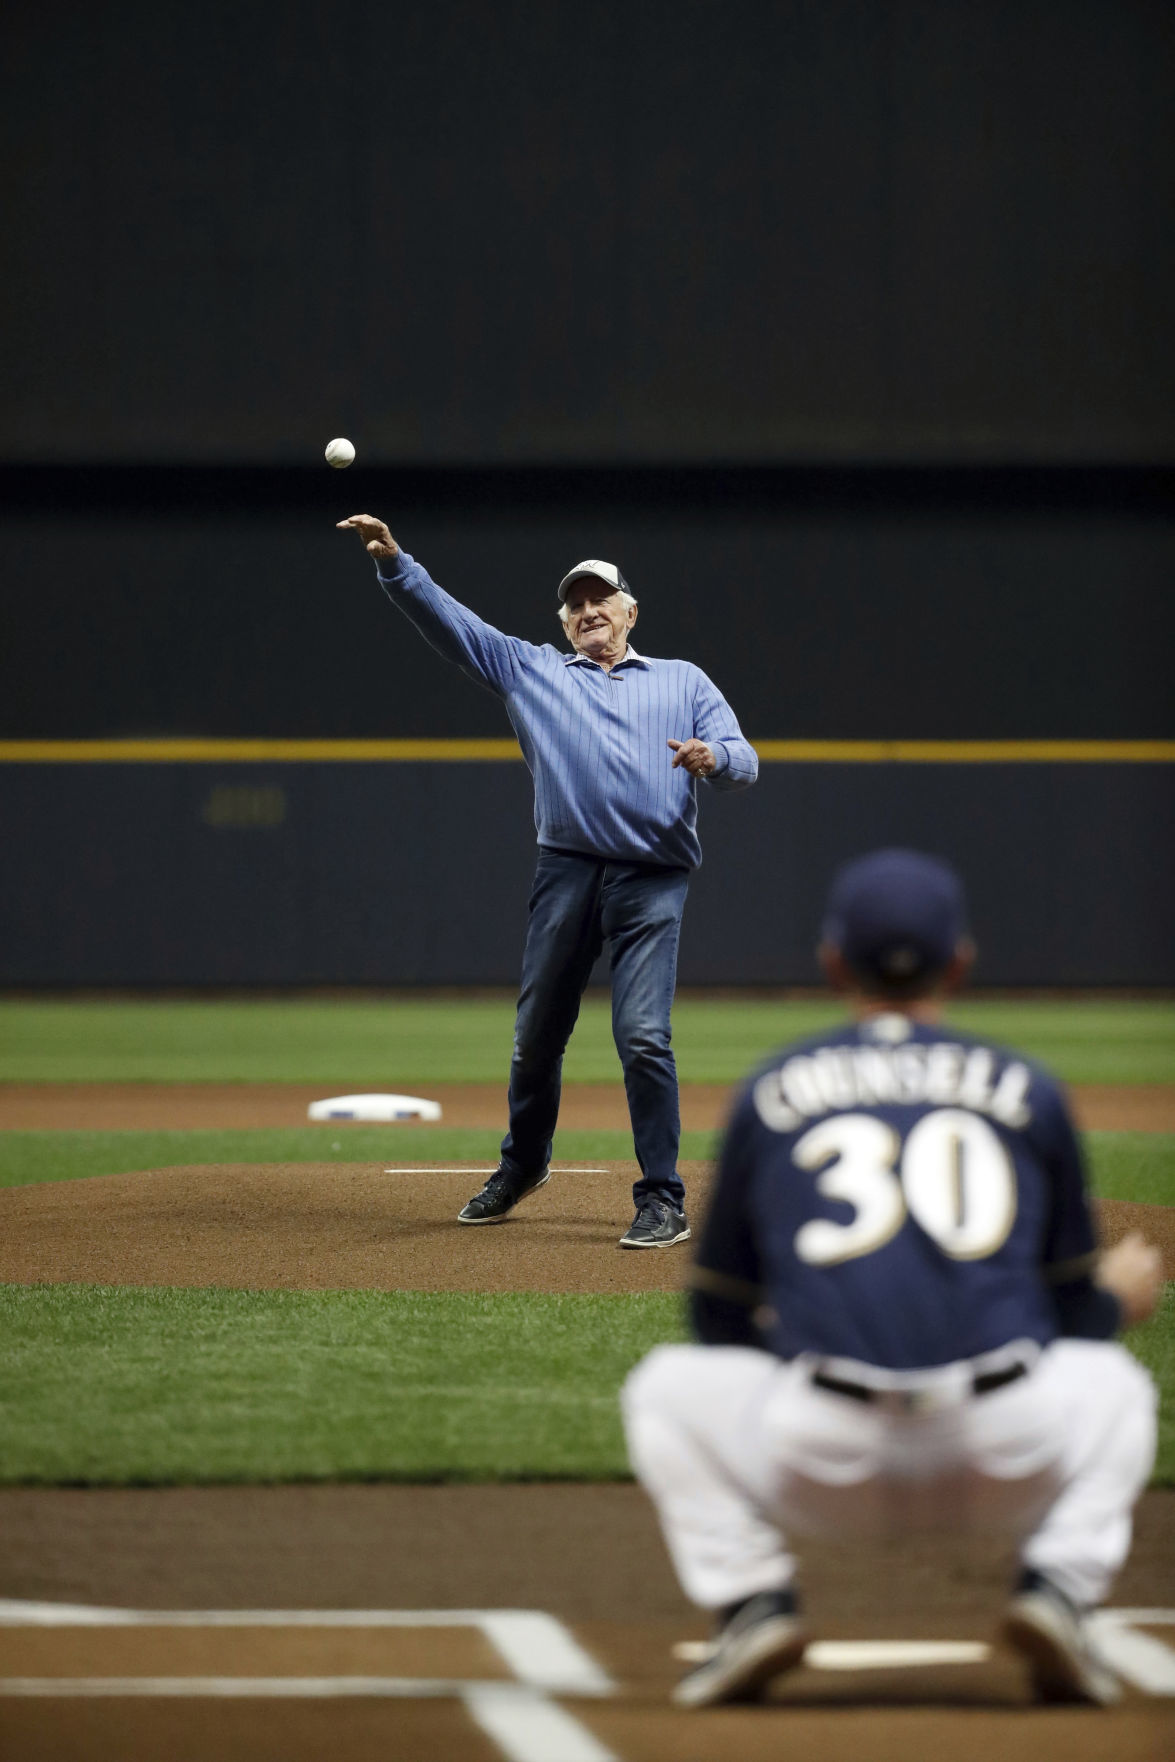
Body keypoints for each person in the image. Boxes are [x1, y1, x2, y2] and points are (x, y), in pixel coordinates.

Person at [622, 848, 1162, 1706]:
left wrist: (806, 1332)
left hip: (821, 1460)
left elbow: (714, 1316)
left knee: (664, 1389)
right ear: (962, 961)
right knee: (1117, 1387)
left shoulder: (770, 1091)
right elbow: (1071, 1314)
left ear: (831, 961)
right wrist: (1115, 1301)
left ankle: (752, 1600)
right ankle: (1058, 1589)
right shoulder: (1030, 1089)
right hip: (1003, 1451)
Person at [337, 514, 758, 1247]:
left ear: (630, 610)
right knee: (535, 1038)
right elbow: (454, 627)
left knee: (643, 1037)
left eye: (602, 598)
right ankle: (524, 1163)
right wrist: (397, 565)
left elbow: (744, 758)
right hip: (565, 871)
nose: (588, 610)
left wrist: (712, 759)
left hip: (651, 880)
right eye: (575, 603)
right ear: (564, 621)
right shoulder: (530, 669)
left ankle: (661, 1195)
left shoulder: (681, 680)